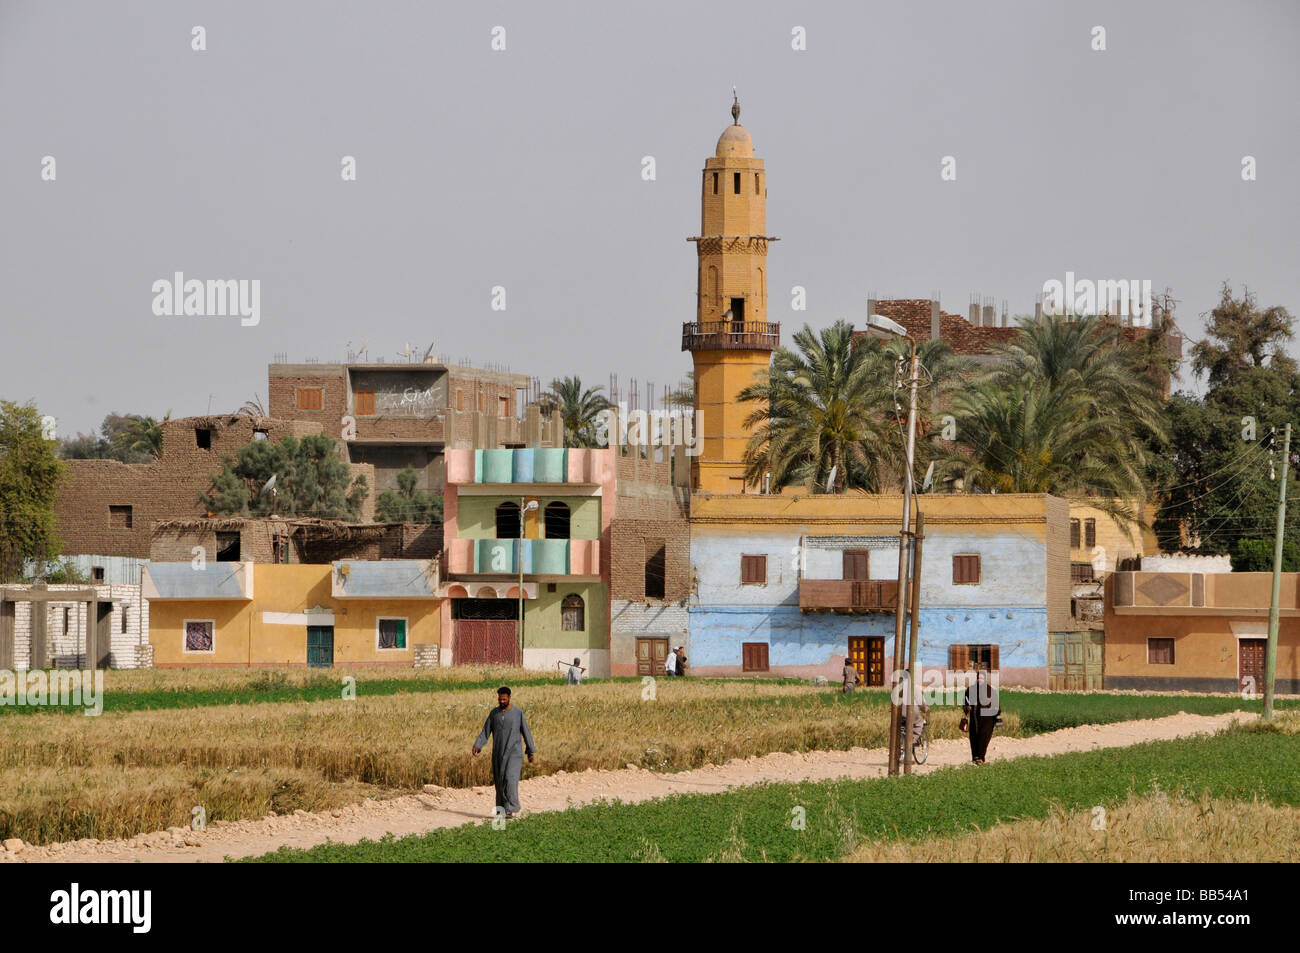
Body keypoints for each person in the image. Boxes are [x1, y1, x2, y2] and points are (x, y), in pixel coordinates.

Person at [472, 686, 536, 818]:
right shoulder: (494, 714)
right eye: (499, 699)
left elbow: (526, 732)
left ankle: (510, 808)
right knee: (500, 782)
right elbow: (486, 731)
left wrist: (530, 751)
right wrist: (478, 745)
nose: (501, 701)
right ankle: (502, 810)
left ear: (509, 698)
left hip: (514, 753)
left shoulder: (517, 713)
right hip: (498, 754)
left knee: (510, 779)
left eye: (504, 699)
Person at [962, 669, 999, 764]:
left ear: (985, 679)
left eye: (982, 678)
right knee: (973, 737)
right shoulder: (971, 689)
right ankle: (975, 757)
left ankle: (981, 758)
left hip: (988, 720)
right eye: (978, 678)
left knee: (984, 738)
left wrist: (998, 719)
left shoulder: (990, 690)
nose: (980, 679)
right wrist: (967, 707)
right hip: (974, 719)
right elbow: (964, 702)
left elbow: (996, 705)